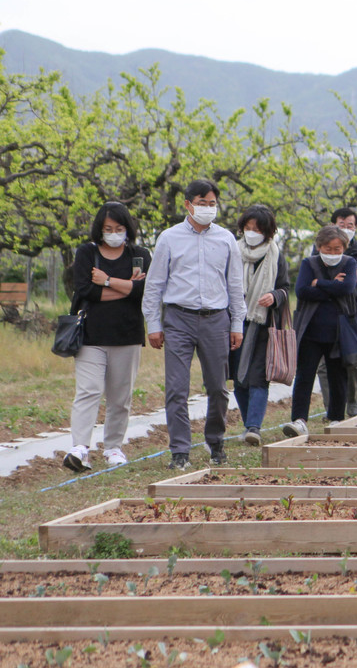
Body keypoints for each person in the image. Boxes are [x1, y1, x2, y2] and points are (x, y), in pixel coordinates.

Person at [142, 179, 245, 469]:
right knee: (176, 388)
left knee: (217, 387)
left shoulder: (226, 239)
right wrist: (153, 323)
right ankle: (180, 451)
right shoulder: (169, 238)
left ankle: (216, 442)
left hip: (216, 320)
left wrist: (237, 323)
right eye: (202, 203)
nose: (208, 208)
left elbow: (235, 285)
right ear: (188, 204)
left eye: (212, 203)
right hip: (178, 318)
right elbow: (155, 285)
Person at [63, 202, 152, 472]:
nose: (114, 233)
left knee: (120, 397)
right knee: (88, 391)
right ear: (99, 230)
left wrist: (107, 281)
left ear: (128, 229)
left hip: (127, 335)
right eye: (108, 229)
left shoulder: (140, 255)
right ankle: (80, 448)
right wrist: (127, 287)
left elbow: (144, 291)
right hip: (90, 335)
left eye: (119, 228)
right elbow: (84, 291)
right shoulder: (87, 253)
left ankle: (113, 447)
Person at [286, 225, 357, 436]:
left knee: (337, 376)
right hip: (311, 331)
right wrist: (332, 287)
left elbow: (347, 288)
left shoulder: (349, 263)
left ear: (344, 248)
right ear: (319, 246)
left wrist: (319, 283)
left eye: (337, 249)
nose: (332, 253)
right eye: (328, 249)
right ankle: (299, 420)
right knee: (305, 376)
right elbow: (302, 291)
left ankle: (336, 417)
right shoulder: (308, 263)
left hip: (339, 331)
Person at [229, 205, 290, 446]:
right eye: (248, 228)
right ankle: (248, 425)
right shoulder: (232, 250)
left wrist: (274, 296)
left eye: (258, 229)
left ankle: (253, 426)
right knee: (238, 378)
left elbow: (285, 287)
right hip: (233, 322)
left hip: (262, 325)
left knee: (257, 377)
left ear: (268, 232)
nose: (252, 232)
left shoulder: (275, 254)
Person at [316, 207, 357, 419]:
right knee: (324, 366)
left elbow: (356, 278)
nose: (346, 229)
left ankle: (353, 400)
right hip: (324, 311)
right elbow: (315, 274)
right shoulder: (319, 247)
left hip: (350, 310)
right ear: (332, 225)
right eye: (341, 225)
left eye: (350, 226)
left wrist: (329, 279)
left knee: (353, 360)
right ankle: (332, 409)